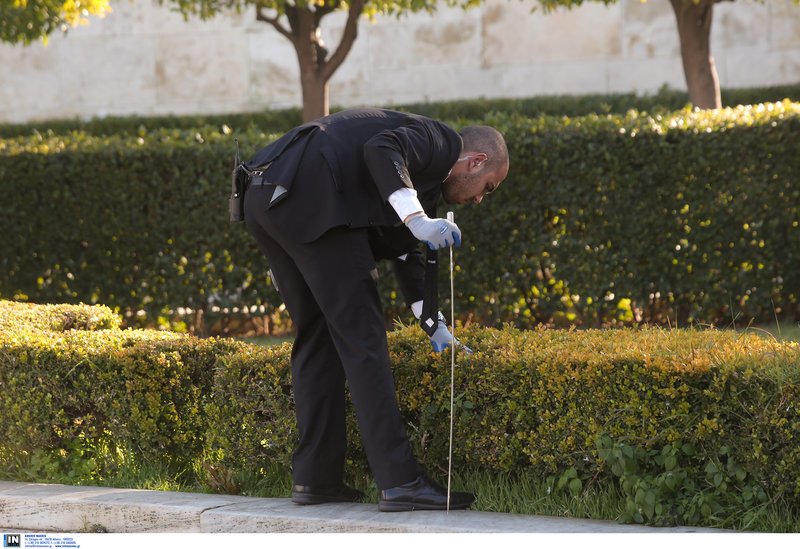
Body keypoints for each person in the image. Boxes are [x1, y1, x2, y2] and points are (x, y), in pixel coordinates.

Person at [242, 107, 509, 512]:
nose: (478, 199)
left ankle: (316, 479)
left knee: (317, 336)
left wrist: (431, 321)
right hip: (312, 195)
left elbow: (406, 254)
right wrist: (419, 220)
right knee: (363, 340)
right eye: (487, 187)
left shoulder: (423, 182)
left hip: (266, 196)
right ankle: (401, 482)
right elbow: (382, 147)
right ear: (476, 161)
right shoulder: (440, 142)